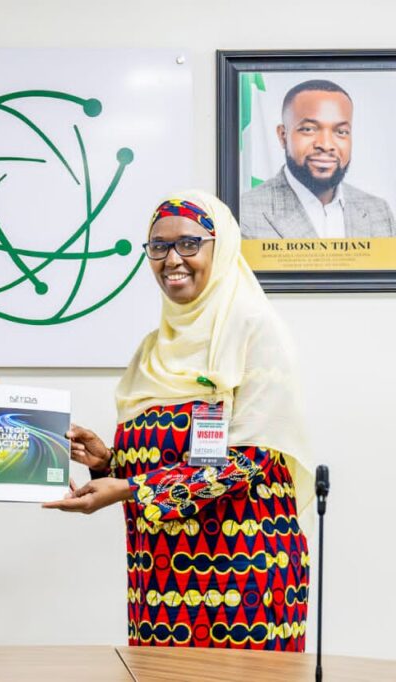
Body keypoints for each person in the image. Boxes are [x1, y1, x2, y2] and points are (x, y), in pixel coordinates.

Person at [45, 191, 312, 651]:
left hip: (244, 576)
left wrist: (129, 488)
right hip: (160, 581)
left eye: (189, 243)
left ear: (221, 247)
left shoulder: (254, 329)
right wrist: (108, 463)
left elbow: (250, 459)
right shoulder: (153, 349)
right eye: (159, 246)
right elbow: (166, 460)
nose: (172, 260)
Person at [240, 79, 395, 239]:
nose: (326, 145)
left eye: (341, 132)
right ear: (283, 136)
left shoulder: (379, 212)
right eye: (309, 129)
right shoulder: (244, 213)